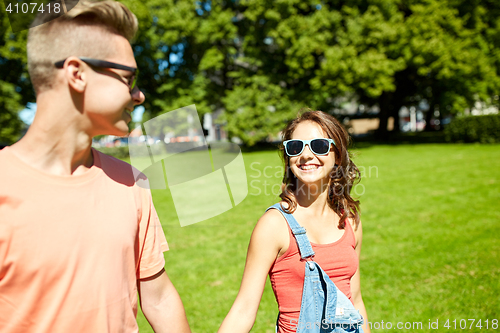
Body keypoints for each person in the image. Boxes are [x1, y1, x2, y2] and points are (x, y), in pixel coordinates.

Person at [0, 1, 191, 332]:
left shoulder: (131, 183)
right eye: (128, 78)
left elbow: (158, 299)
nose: (139, 95)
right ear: (76, 73)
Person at [219, 110, 370, 333]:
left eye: (318, 145)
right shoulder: (274, 225)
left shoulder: (349, 220)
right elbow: (244, 309)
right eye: (296, 147)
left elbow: (355, 301)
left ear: (337, 156)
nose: (306, 155)